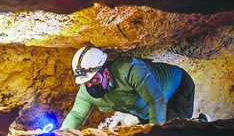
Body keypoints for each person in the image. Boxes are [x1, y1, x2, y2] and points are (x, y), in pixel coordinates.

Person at [60, 46, 196, 129]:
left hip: (177, 89)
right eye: (86, 82)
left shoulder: (131, 70)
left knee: (176, 134)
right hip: (144, 110)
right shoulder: (86, 91)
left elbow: (156, 100)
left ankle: (200, 123)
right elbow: (77, 115)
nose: (89, 85)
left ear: (106, 73)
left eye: (94, 80)